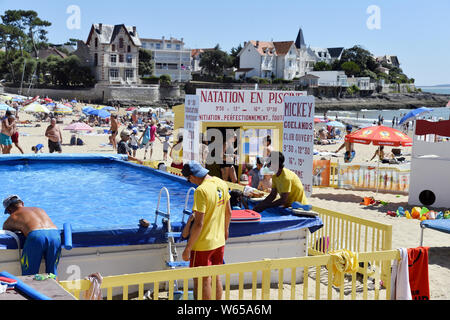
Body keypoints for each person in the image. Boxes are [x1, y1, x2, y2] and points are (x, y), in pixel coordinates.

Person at [181, 161, 232, 300]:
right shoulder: (221, 183)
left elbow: (199, 224)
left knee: (201, 280)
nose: (190, 182)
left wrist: (188, 248)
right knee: (216, 277)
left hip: (203, 244)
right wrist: (225, 230)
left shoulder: (201, 191)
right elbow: (229, 212)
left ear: (192, 176)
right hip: (219, 241)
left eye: (189, 179)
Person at [2, 195, 61, 276]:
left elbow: (6, 229)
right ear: (22, 203)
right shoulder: (39, 209)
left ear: (9, 210)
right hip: (55, 234)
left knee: (29, 275)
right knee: (52, 273)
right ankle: (55, 288)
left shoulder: (13, 216)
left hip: (36, 236)